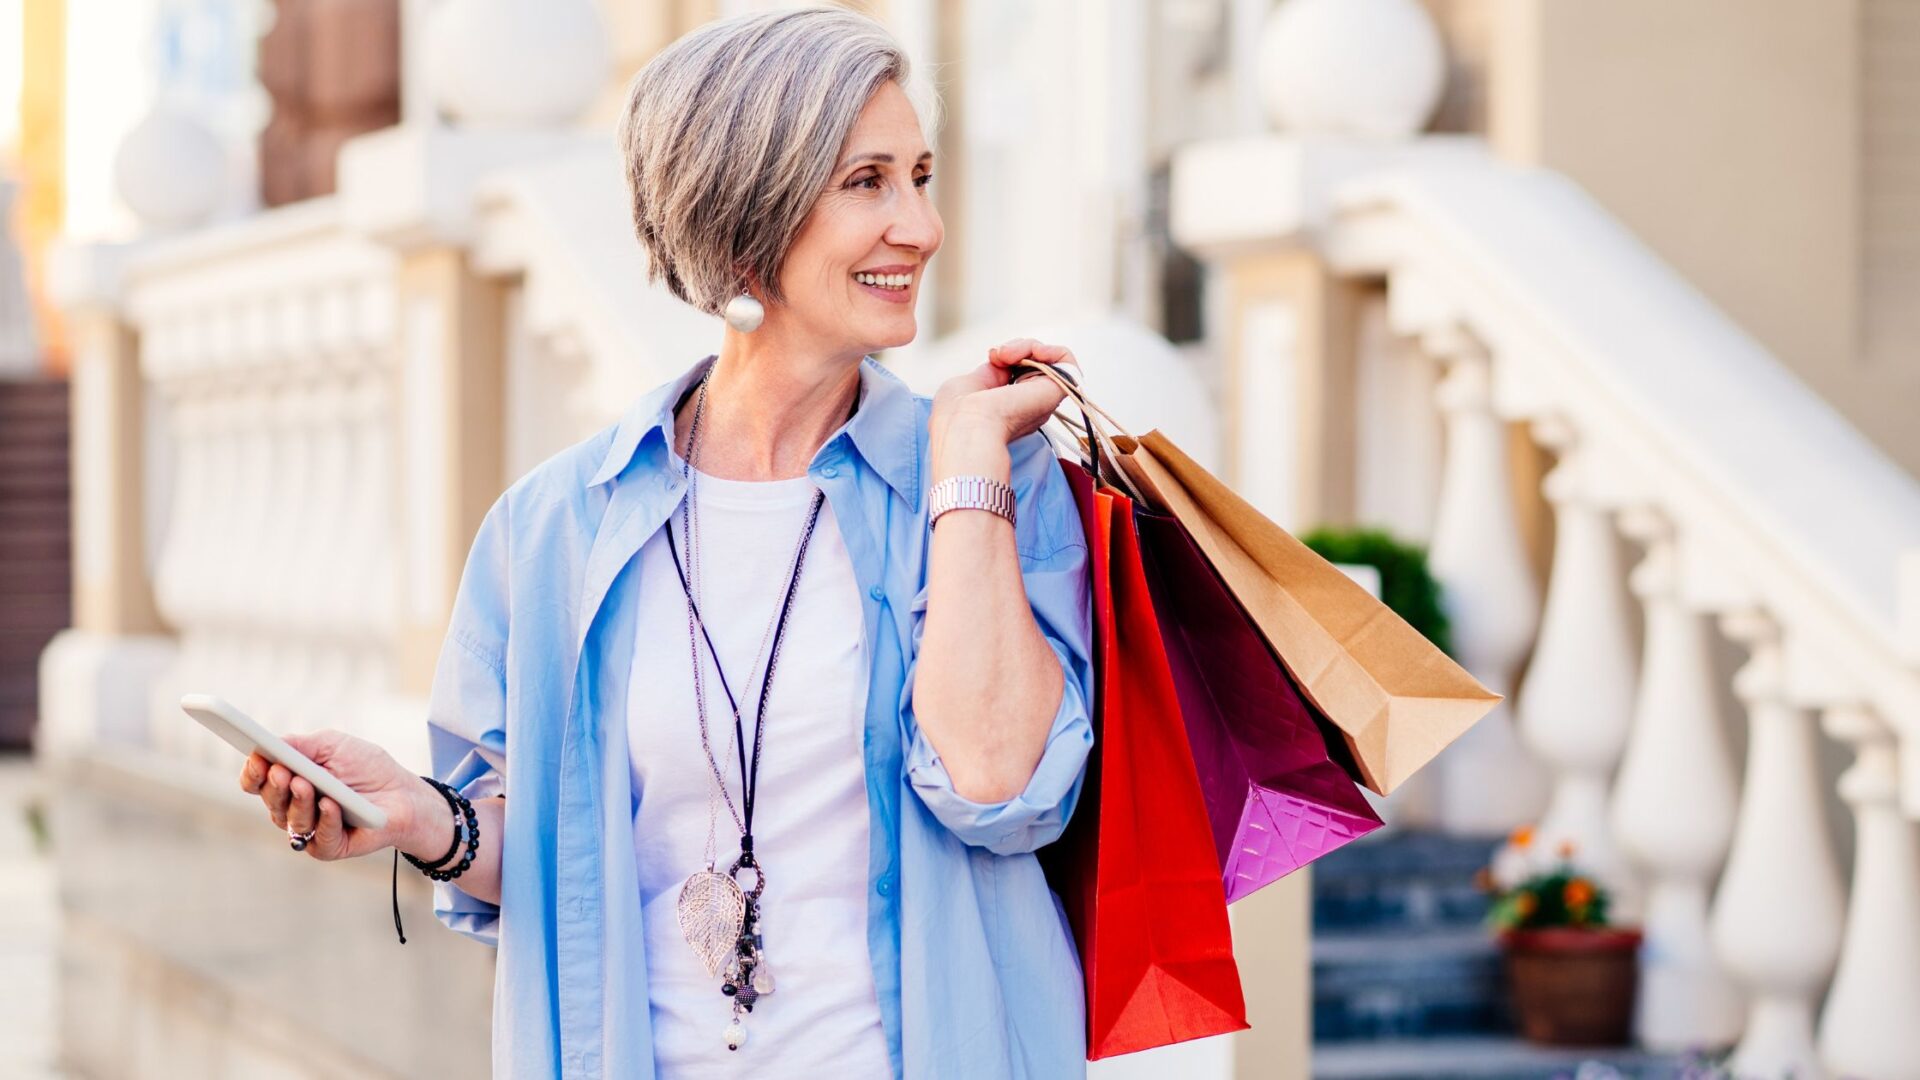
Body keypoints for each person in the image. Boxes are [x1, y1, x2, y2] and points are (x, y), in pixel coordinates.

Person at [237, 7, 1096, 1078]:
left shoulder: (984, 479)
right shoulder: (555, 527)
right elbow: (561, 854)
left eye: (920, 176)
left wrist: (966, 464)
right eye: (867, 182)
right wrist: (421, 816)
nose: (920, 226)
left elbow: (1000, 783)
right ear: (746, 212)